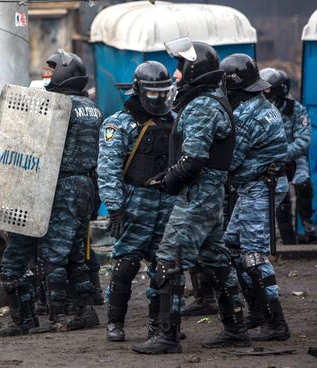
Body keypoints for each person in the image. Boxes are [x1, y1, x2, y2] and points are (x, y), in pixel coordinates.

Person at [132, 39, 250, 354]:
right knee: (215, 260)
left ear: (194, 69)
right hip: (209, 193)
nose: (176, 73)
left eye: (181, 67)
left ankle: (167, 337)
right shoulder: (211, 100)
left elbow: (194, 157)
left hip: (198, 195)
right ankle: (236, 328)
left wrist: (170, 179)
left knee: (169, 259)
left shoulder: (202, 105)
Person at [0, 50, 102, 336]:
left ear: (63, 74)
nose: (46, 76)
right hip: (82, 186)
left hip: (55, 185)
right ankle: (80, 311)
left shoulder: (60, 107)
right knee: (71, 253)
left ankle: (55, 317)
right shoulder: (90, 106)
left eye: (50, 71)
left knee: (52, 255)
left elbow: (24, 149)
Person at [97, 61, 176, 342]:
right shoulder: (118, 123)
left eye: (163, 93)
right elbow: (108, 168)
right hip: (135, 201)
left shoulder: (175, 120)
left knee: (164, 266)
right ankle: (115, 323)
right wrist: (115, 207)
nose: (159, 98)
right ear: (139, 90)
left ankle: (160, 325)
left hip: (167, 202)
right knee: (126, 263)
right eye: (153, 93)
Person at [221, 55, 291, 341]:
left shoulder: (246, 115)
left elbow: (232, 160)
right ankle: (257, 312)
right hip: (261, 185)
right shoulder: (263, 106)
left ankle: (276, 323)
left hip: (260, 187)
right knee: (232, 245)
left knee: (253, 254)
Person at [260, 67, 315, 244]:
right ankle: (287, 239)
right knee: (279, 194)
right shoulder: (259, 111)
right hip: (271, 161)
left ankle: (307, 223)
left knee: (303, 183)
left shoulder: (296, 109)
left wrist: (283, 153)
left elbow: (304, 139)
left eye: (267, 89)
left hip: (293, 158)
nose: (264, 93)